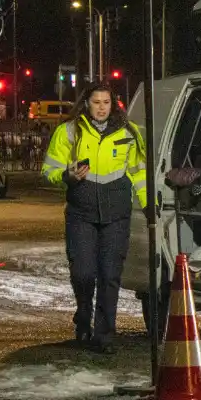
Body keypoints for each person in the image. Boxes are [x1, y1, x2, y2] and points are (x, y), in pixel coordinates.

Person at [41, 83, 147, 354]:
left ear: (114, 104)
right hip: (81, 214)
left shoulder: (129, 133)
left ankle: (104, 335)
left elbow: (139, 172)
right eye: (96, 102)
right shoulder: (68, 132)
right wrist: (67, 176)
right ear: (86, 103)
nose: (101, 107)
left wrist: (150, 204)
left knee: (110, 275)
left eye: (106, 102)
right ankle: (83, 316)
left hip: (116, 215)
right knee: (83, 273)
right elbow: (48, 171)